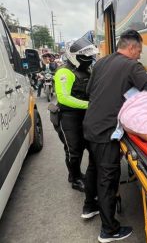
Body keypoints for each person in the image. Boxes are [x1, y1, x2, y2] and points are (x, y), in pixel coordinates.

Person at [82, 29, 147, 243]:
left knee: (93, 167)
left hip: (89, 125)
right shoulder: (132, 66)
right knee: (108, 177)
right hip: (106, 130)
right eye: (140, 51)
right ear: (132, 47)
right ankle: (109, 230)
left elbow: (89, 91)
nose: (140, 55)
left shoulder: (101, 63)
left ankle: (89, 207)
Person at [51, 37, 98, 192]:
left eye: (90, 57)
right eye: (85, 57)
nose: (88, 60)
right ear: (74, 56)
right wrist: (90, 105)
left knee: (87, 145)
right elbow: (64, 98)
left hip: (84, 115)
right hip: (67, 117)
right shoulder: (64, 72)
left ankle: (79, 174)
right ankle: (75, 179)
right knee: (73, 150)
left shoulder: (86, 69)